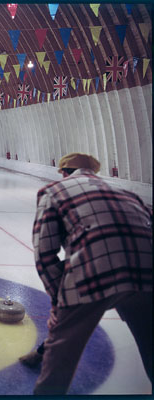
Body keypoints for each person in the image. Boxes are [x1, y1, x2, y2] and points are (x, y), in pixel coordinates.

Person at [31, 152, 152, 394]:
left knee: (61, 355)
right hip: (148, 273)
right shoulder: (130, 194)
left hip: (93, 272)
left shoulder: (54, 191)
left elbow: (44, 253)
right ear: (94, 172)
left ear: (65, 172)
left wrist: (60, 301)